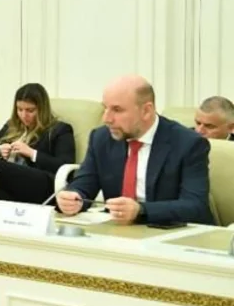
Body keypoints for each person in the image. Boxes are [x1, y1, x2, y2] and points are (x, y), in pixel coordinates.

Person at [55, 75, 212, 226]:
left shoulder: (188, 143)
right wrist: (73, 198)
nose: (106, 119)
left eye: (117, 110)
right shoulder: (101, 138)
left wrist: (140, 210)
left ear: (146, 111)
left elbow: (195, 206)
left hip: (170, 231)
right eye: (105, 108)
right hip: (119, 232)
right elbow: (84, 184)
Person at [0, 83, 75, 204]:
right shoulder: (12, 126)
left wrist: (32, 153)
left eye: (30, 110)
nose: (24, 115)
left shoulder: (60, 130)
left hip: (43, 186)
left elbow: (64, 165)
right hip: (15, 189)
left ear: (42, 109)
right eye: (19, 109)